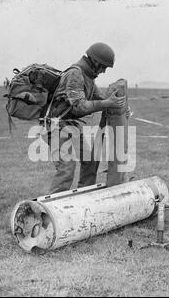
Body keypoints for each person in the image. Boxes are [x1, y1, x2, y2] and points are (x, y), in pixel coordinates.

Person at [44, 42, 127, 194]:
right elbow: (79, 106)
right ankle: (52, 208)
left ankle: (84, 198)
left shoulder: (88, 76)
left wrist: (120, 108)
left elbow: (102, 98)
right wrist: (107, 103)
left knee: (90, 160)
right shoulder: (76, 73)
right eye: (103, 66)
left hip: (70, 124)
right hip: (55, 125)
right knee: (66, 168)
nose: (103, 71)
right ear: (95, 61)